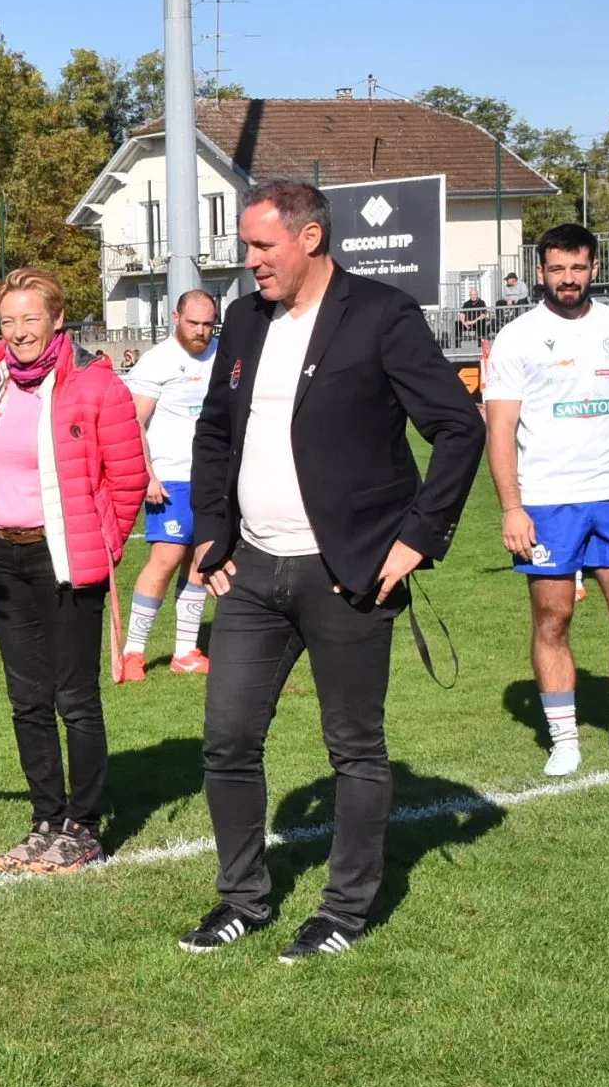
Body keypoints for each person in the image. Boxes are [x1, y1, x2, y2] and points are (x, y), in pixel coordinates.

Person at [179, 179, 484, 962]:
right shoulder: (245, 321)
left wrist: (418, 537)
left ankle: (343, 912)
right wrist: (212, 533)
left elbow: (457, 428)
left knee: (353, 746)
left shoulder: (382, 314)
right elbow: (215, 433)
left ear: (310, 239)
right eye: (246, 247)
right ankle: (241, 900)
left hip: (350, 572)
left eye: (261, 246)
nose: (249, 263)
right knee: (227, 738)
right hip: (252, 571)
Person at [0, 269, 149, 874]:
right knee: (27, 699)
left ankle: (84, 826)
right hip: (3, 557)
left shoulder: (96, 385)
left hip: (66, 559)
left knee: (75, 698)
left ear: (58, 320)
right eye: (9, 321)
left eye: (31, 319)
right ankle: (45, 819)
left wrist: (103, 544)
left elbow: (128, 479)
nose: (18, 332)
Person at [482, 223, 609, 779]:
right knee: (553, 619)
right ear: (542, 272)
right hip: (547, 502)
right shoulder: (518, 336)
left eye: (578, 268)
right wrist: (512, 506)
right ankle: (564, 741)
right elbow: (500, 430)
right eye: (557, 269)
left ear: (593, 268)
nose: (568, 279)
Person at [118, 289, 221, 679]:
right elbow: (134, 424)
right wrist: (147, 474)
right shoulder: (157, 361)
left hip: (212, 478)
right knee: (165, 559)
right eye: (193, 323)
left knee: (201, 559)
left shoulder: (223, 356)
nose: (201, 331)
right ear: (175, 318)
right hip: (171, 477)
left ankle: (185, 651)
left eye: (208, 324)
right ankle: (133, 651)